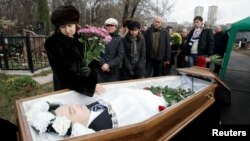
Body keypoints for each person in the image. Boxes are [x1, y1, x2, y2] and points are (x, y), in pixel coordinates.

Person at [26, 88, 166, 139]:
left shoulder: (86, 109)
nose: (75, 105)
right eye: (71, 111)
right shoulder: (100, 127)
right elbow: (134, 113)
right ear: (75, 126)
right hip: (147, 104)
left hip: (141, 93)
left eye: (70, 106)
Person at [44, 5, 98, 96]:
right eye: (63, 27)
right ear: (58, 27)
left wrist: (90, 71)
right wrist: (90, 86)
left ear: (75, 24)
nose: (67, 30)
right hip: (67, 88)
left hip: (86, 88)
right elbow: (63, 73)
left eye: (70, 25)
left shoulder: (82, 39)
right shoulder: (53, 43)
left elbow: (92, 61)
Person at [98, 18, 124, 82]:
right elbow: (96, 53)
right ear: (105, 27)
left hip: (113, 71)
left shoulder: (119, 39)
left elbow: (120, 55)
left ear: (115, 27)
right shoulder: (100, 38)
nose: (110, 27)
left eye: (112, 26)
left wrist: (108, 65)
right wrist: (103, 63)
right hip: (101, 70)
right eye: (108, 25)